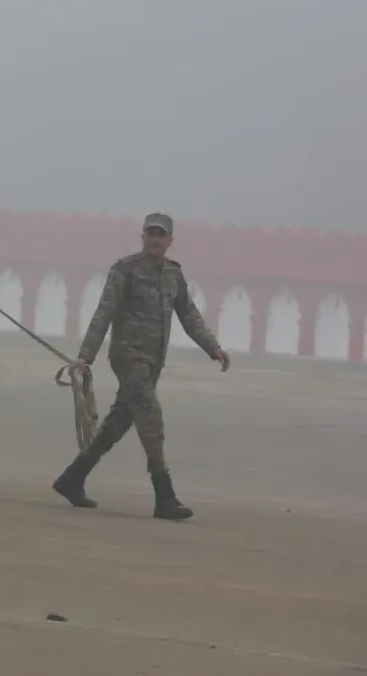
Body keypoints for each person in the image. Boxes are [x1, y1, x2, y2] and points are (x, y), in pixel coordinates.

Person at [52, 213, 230, 521]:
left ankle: (73, 477)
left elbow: (189, 315)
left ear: (170, 241)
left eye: (161, 235)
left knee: (120, 421)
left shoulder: (173, 275)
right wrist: (85, 357)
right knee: (150, 413)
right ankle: (164, 494)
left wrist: (212, 347)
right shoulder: (125, 270)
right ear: (143, 236)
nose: (155, 239)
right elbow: (103, 314)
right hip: (128, 356)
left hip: (152, 363)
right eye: (150, 233)